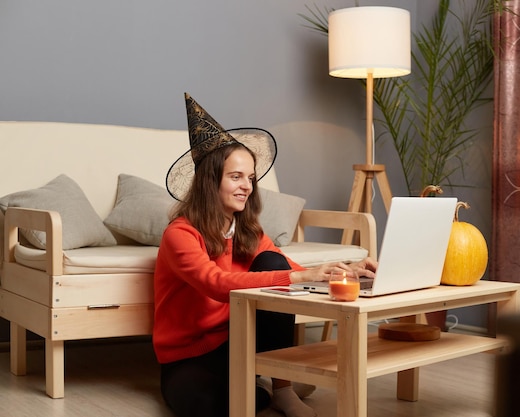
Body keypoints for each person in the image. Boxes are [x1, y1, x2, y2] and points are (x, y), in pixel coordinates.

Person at [153, 93, 377, 417]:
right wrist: (299, 276)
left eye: (251, 178)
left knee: (273, 262)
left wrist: (347, 271)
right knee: (219, 406)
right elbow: (215, 283)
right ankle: (266, 385)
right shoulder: (180, 234)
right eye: (236, 177)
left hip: (237, 341)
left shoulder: (247, 230)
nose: (247, 186)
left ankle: (282, 389)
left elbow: (287, 268)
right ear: (209, 181)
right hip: (189, 357)